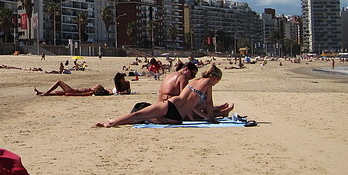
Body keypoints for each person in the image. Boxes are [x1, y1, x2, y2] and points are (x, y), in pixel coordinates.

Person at [96, 65, 224, 127]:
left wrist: (205, 117)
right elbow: (209, 103)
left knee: (138, 115)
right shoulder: (208, 83)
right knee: (145, 117)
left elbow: (190, 103)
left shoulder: (194, 81)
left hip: (171, 104)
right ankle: (113, 122)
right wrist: (211, 119)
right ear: (215, 78)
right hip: (177, 116)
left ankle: (111, 122)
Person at [34, 79, 113, 96]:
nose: (95, 85)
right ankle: (40, 92)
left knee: (59, 82)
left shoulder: (91, 92)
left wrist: (70, 94)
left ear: (97, 89)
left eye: (96, 86)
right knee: (58, 93)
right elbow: (108, 90)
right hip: (72, 91)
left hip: (72, 91)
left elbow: (82, 94)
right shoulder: (92, 91)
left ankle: (46, 93)